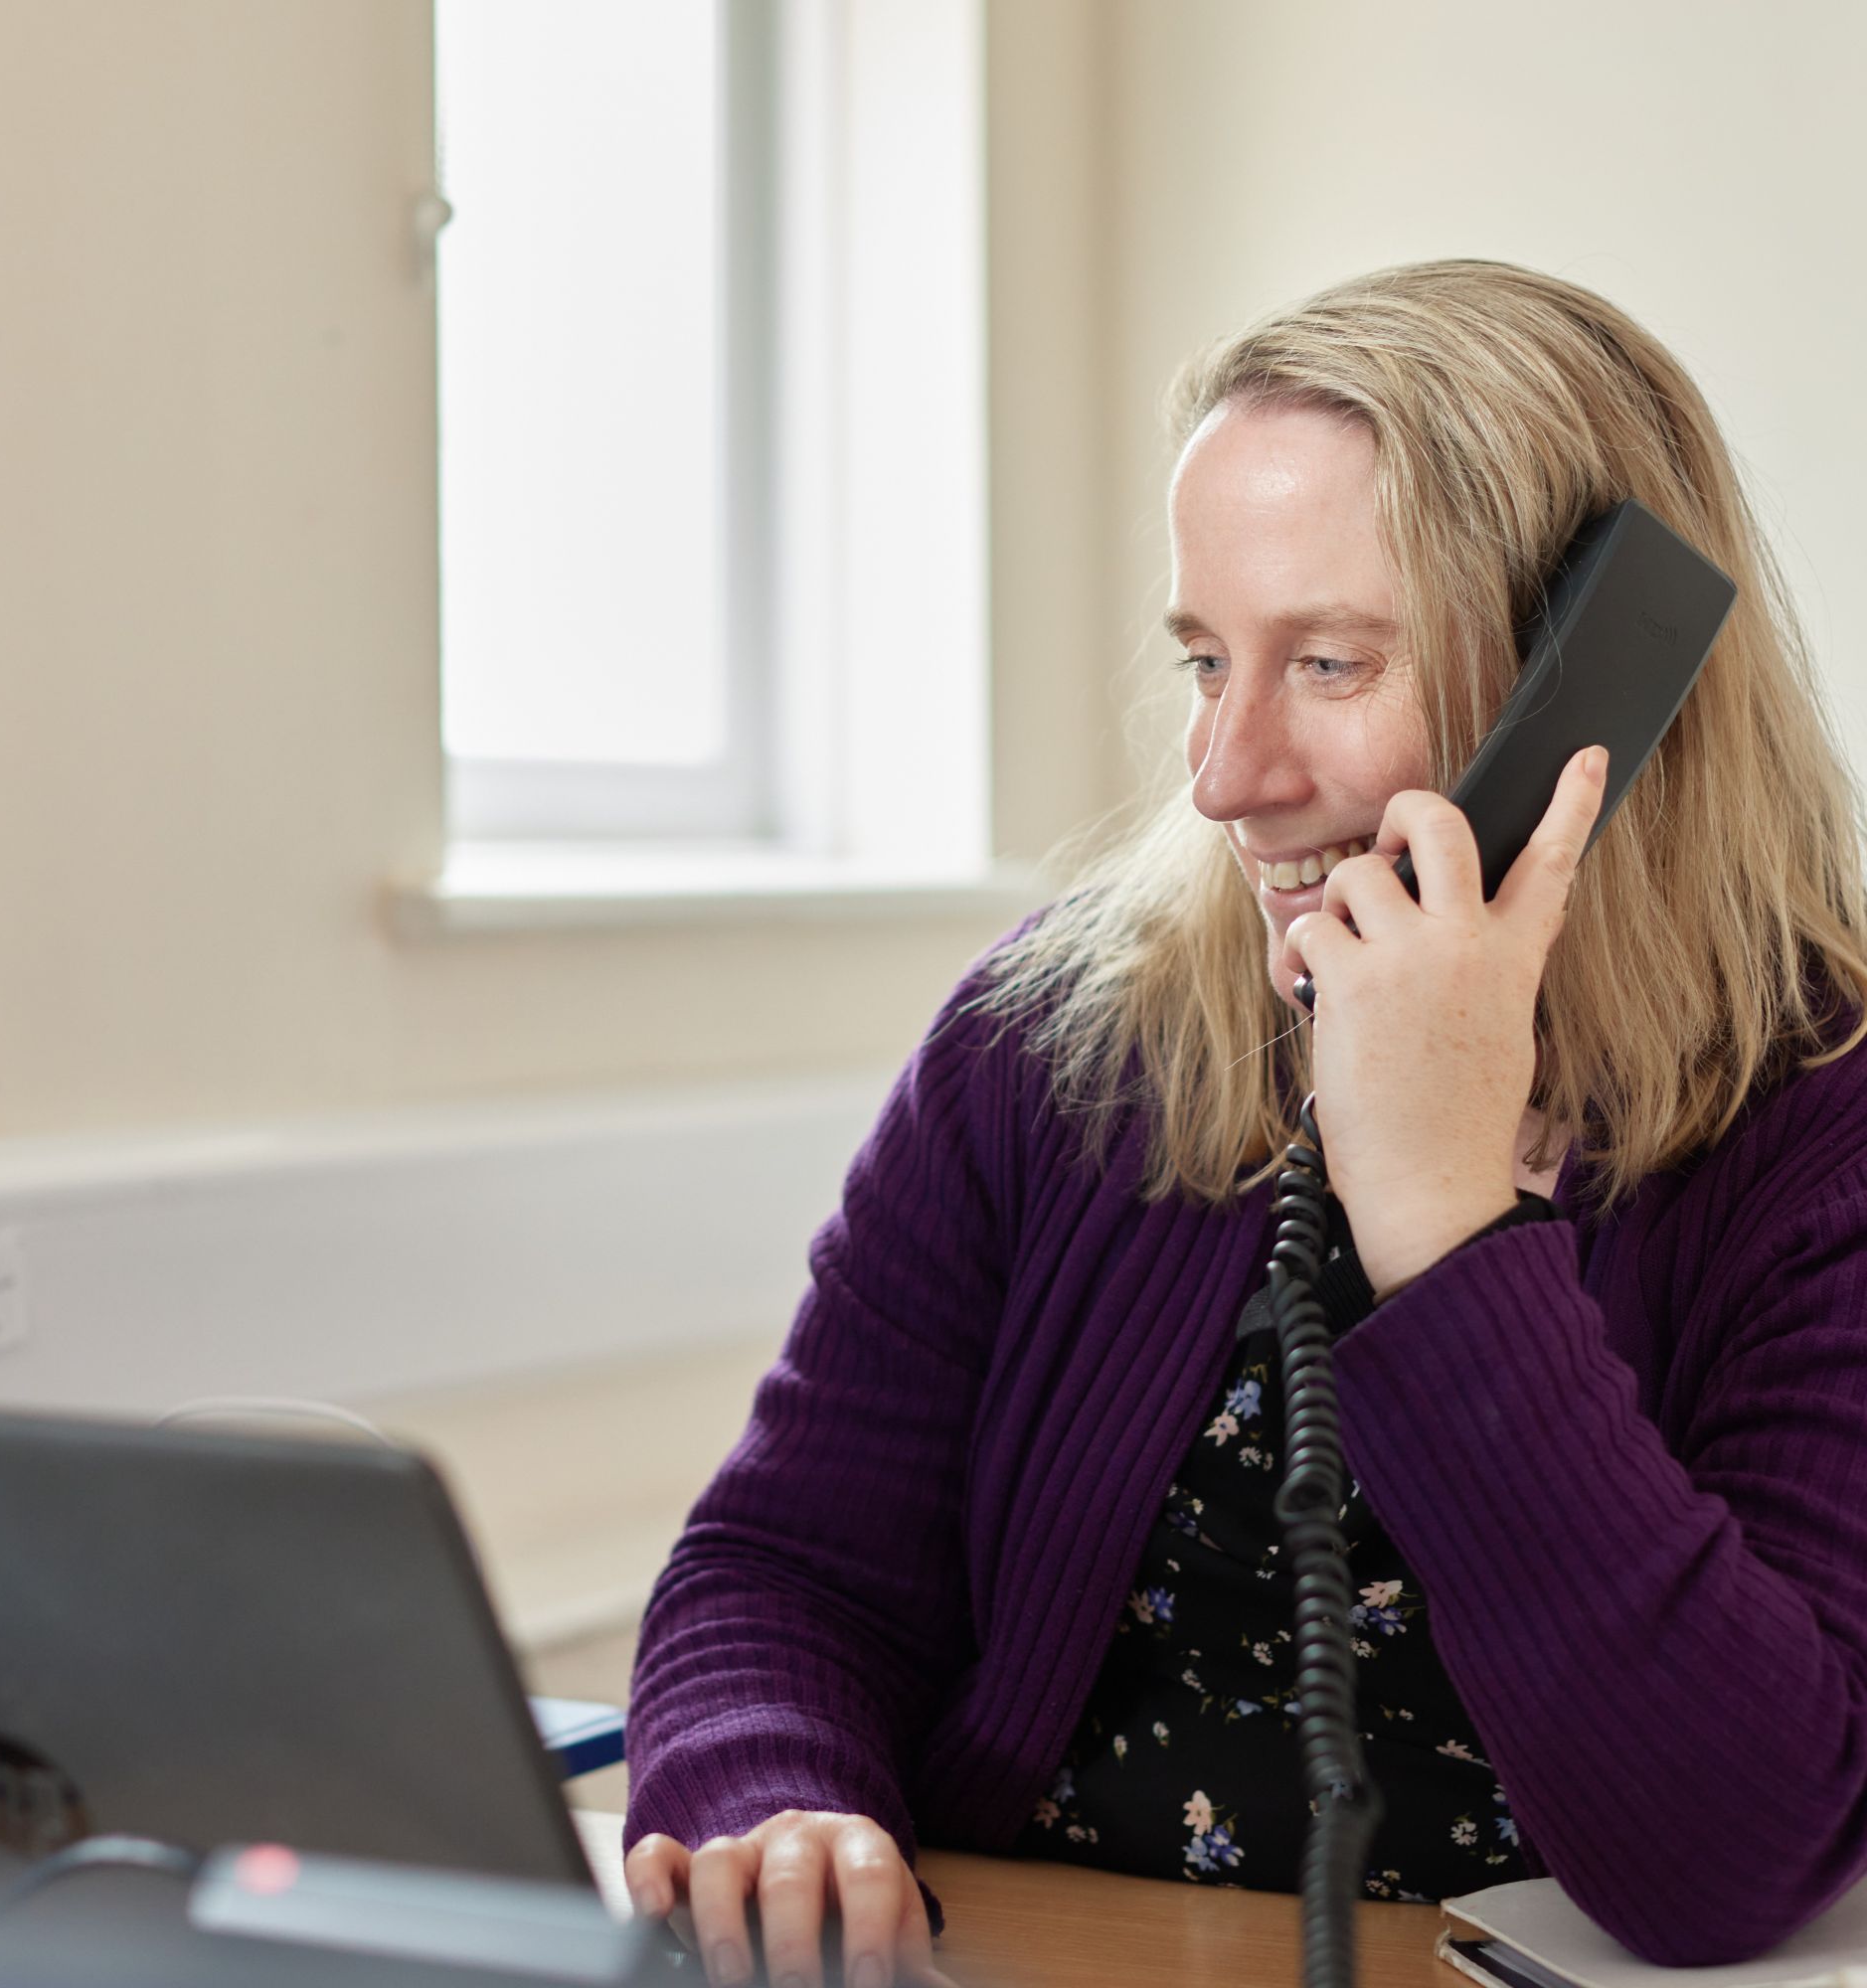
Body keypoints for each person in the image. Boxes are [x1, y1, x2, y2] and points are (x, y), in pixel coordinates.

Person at [620, 259, 1867, 1988]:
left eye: (1331, 662)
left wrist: (1444, 1221)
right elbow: (787, 1569)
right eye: (1209, 660)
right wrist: (776, 1799)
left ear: (1600, 687)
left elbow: (1730, 1860)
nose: (1224, 774)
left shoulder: (1824, 1132)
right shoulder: (1052, 1043)